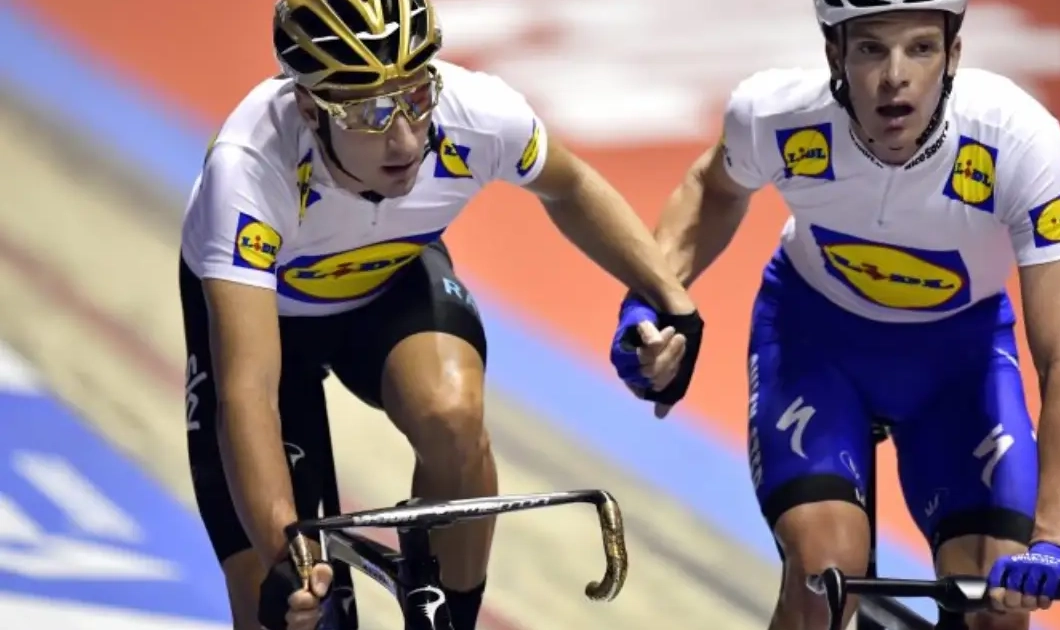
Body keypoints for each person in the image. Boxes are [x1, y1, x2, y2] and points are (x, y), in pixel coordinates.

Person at [179, 1, 703, 629]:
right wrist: (281, 557)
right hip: (269, 322)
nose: (405, 138)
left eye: (416, 95)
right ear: (311, 109)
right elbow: (249, 392)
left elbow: (571, 186)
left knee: (452, 419)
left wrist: (672, 303)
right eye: (370, 112)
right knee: (281, 604)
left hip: (390, 283)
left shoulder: (474, 112)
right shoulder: (247, 170)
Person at [609, 0, 1060, 628]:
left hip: (958, 366)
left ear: (953, 54)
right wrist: (651, 303)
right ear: (834, 54)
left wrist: (1053, 539)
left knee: (995, 606)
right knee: (823, 575)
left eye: (920, 48)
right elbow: (711, 188)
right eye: (871, 48)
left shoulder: (1020, 143)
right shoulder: (778, 116)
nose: (895, 76)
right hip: (817, 345)